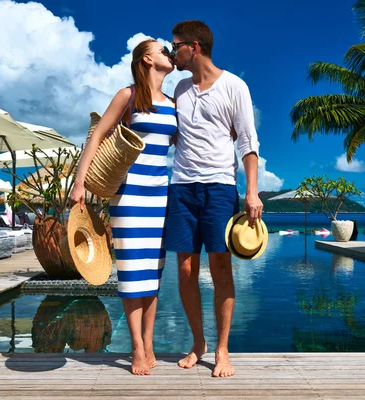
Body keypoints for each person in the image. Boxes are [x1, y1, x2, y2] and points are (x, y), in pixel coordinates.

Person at [70, 39, 176, 376]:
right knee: (132, 272)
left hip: (161, 195)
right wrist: (79, 182)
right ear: (147, 59)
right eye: (162, 49)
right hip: (129, 194)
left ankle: (150, 341)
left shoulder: (174, 103)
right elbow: (98, 136)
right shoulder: (128, 96)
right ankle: (137, 348)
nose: (169, 53)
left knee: (153, 272)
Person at [166, 20, 263, 378]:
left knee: (221, 268)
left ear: (194, 46)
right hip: (181, 188)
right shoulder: (179, 89)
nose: (171, 51)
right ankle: (198, 343)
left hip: (220, 187)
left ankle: (222, 350)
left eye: (175, 45)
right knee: (186, 270)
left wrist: (251, 192)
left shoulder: (234, 85)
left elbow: (247, 142)